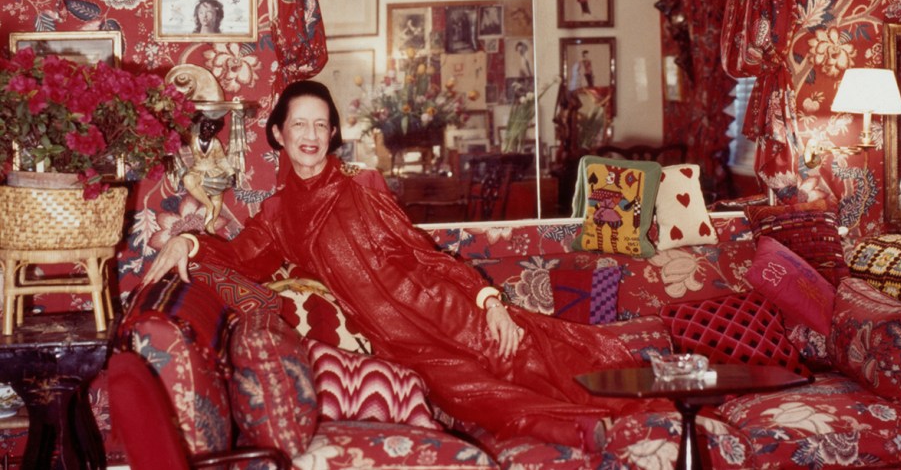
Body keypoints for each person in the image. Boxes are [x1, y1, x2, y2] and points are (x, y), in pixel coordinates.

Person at [141, 80, 666, 451]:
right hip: (399, 341)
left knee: (527, 357)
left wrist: (489, 302)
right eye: (298, 123)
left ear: (332, 133)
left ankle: (651, 400)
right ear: (277, 133)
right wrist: (189, 244)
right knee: (472, 397)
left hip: (446, 308)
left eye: (320, 125)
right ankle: (584, 431)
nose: (310, 134)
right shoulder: (277, 215)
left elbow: (421, 251)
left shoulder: (361, 183)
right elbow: (240, 258)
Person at [179, 115, 236, 234]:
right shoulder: (193, 139)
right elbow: (181, 132)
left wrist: (231, 173)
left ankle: (210, 226)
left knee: (217, 197)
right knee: (188, 180)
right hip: (197, 170)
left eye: (212, 129)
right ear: (201, 126)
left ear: (216, 131)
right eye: (206, 127)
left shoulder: (215, 143)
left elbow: (221, 160)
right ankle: (208, 205)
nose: (208, 131)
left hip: (214, 172)